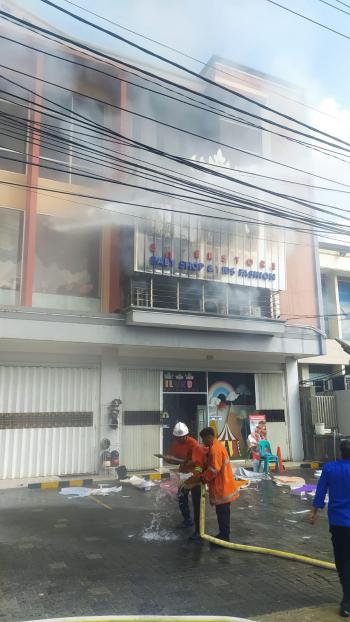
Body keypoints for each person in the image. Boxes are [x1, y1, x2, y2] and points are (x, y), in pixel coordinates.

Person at [309, 439, 350, 618]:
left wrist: (314, 511)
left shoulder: (330, 469)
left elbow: (321, 491)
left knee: (342, 561)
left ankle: (347, 600)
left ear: (340, 452)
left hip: (339, 523)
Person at [161, 422, 206, 540]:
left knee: (197, 502)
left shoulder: (194, 444)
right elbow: (174, 461)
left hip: (194, 474)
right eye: (178, 438)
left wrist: (196, 475)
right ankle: (187, 520)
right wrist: (169, 459)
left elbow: (196, 462)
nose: (180, 439)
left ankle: (199, 529)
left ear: (187, 435)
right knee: (181, 497)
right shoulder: (175, 444)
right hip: (184, 474)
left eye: (182, 437)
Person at [199, 426, 241, 542]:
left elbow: (213, 470)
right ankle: (223, 534)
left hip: (222, 487)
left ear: (209, 437)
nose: (203, 442)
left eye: (204, 439)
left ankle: (224, 536)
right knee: (223, 513)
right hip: (225, 485)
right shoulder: (216, 446)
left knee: (222, 513)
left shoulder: (215, 450)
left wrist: (203, 478)